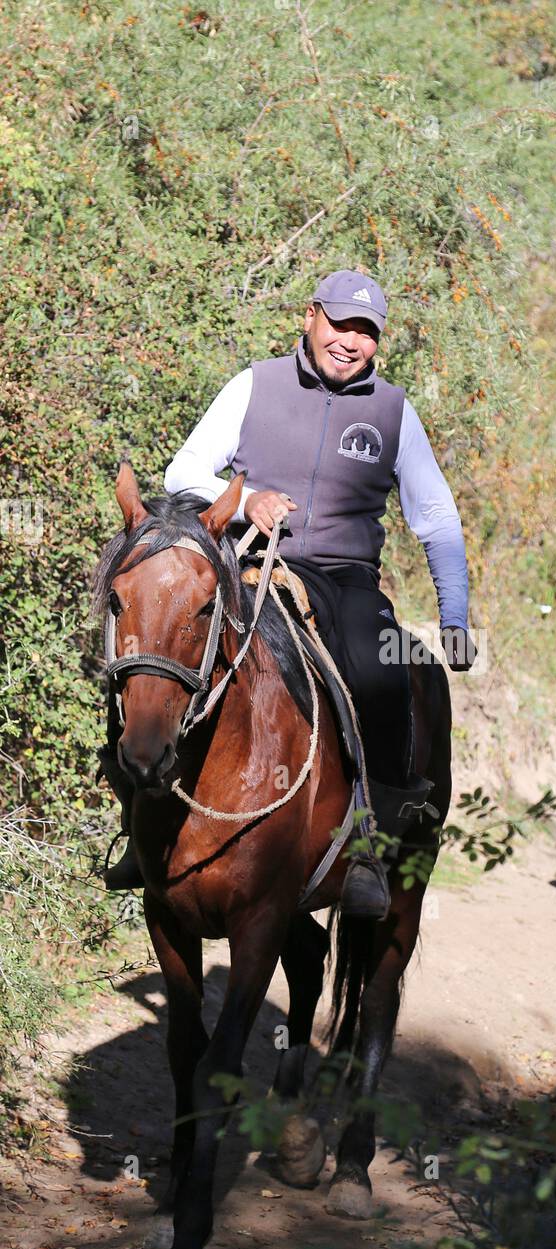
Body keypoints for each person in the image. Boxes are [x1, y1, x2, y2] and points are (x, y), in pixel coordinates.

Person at [102, 270, 475, 917]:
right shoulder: (256, 384)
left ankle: (366, 847)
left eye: (365, 331)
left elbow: (436, 515)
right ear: (310, 318)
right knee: (159, 655)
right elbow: (185, 469)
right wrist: (249, 500)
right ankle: (142, 819)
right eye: (340, 323)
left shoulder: (393, 412)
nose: (350, 340)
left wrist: (455, 613)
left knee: (383, 674)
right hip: (246, 569)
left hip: (345, 578)